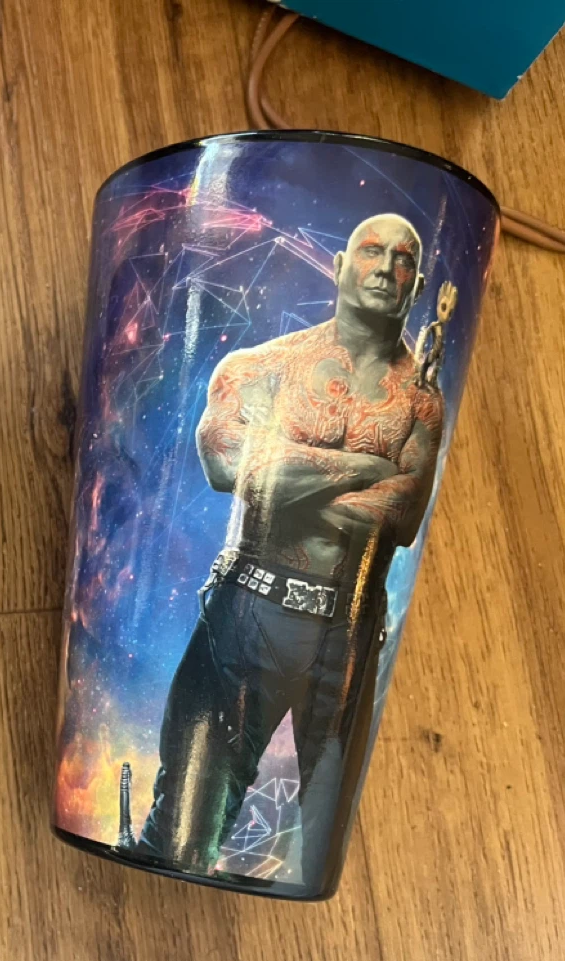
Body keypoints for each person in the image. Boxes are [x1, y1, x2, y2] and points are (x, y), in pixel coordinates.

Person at [133, 214, 445, 887]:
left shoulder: (421, 403)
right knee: (180, 830)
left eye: (403, 258)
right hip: (248, 613)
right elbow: (228, 467)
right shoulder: (259, 367)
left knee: (317, 853)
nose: (386, 267)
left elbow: (400, 518)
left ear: (417, 285)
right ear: (339, 266)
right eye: (371, 250)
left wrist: (285, 474)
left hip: (348, 629)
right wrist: (365, 467)